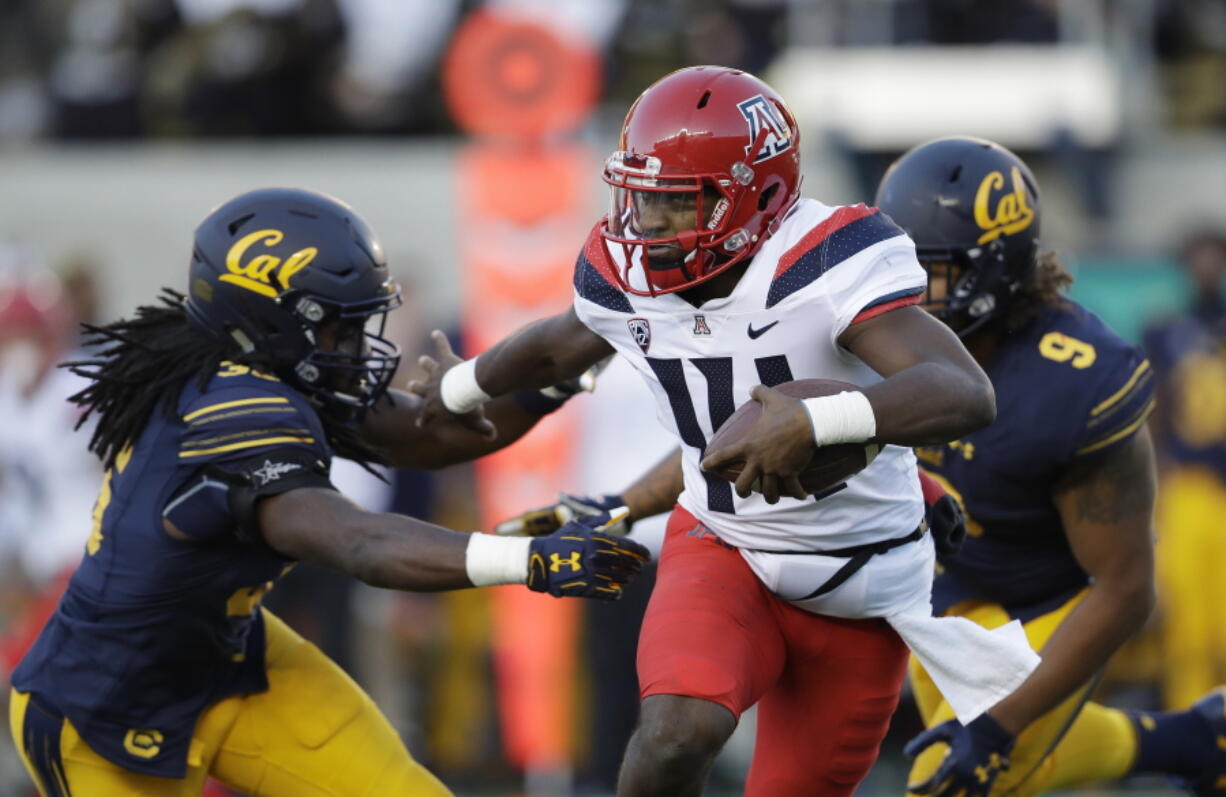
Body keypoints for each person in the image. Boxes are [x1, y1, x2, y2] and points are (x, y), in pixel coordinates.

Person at [412, 66, 1044, 797]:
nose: (646, 226)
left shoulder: (827, 260)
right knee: (675, 734)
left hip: (859, 583)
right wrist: (459, 385)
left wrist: (816, 420)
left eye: (674, 205)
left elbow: (963, 390)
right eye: (640, 199)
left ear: (759, 197)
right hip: (724, 544)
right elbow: (558, 343)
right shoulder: (625, 272)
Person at [5, 187, 649, 797]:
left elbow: (429, 436)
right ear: (268, 318)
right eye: (338, 328)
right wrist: (527, 561)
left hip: (229, 656)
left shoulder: (255, 367)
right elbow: (359, 541)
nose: (356, 347)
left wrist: (566, 370)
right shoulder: (223, 412)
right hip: (110, 705)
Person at [879, 138, 1225, 796]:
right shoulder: (879, 329)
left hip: (1046, 606)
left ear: (989, 271)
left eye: (926, 271)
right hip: (946, 597)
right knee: (997, 769)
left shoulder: (1076, 379)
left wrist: (998, 724)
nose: (900, 289)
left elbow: (1124, 587)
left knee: (949, 778)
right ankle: (1196, 740)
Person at [1142, 230, 1226, 714]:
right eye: (1199, 256)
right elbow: (1155, 408)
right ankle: (1194, 742)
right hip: (1189, 488)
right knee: (1190, 630)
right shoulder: (1167, 329)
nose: (1207, 266)